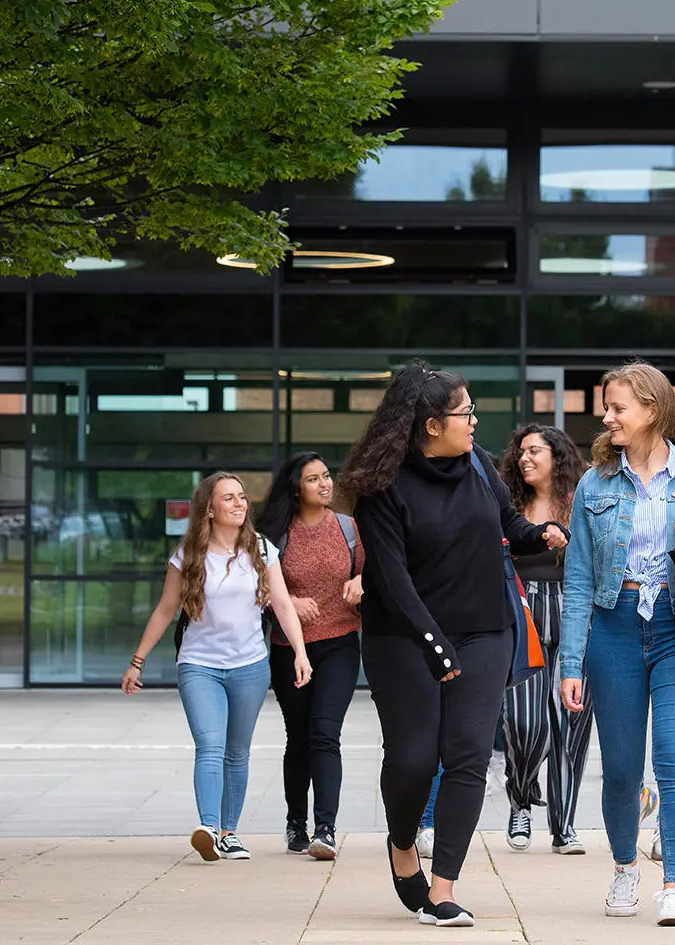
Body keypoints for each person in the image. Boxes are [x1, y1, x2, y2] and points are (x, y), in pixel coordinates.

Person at [345, 361, 568, 928]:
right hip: (405, 638)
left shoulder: (477, 465)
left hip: (485, 630)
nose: (474, 421)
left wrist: (539, 535)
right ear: (428, 425)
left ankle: (443, 887)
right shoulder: (382, 490)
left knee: (468, 757)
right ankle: (402, 844)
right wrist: (436, 649)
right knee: (415, 760)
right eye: (464, 412)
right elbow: (393, 583)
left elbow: (509, 527)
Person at [560, 361, 675, 928]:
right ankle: (623, 869)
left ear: (652, 410)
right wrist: (571, 661)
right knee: (619, 770)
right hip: (613, 630)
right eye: (607, 407)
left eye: (617, 407)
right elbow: (580, 580)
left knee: (674, 763)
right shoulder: (595, 483)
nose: (606, 417)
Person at [122, 472, 312, 863]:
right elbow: (164, 610)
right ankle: (208, 828)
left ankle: (229, 833)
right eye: (229, 498)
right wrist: (137, 662)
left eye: (242, 497)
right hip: (199, 666)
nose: (240, 504)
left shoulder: (261, 549)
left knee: (237, 753)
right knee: (210, 745)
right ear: (209, 508)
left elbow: (281, 604)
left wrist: (300, 651)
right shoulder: (189, 553)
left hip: (250, 667)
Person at [253, 452, 365, 861]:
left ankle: (326, 828)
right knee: (297, 737)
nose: (325, 484)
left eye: (326, 475)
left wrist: (359, 580)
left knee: (324, 732)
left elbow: (376, 570)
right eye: (313, 479)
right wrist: (288, 602)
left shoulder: (349, 529)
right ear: (295, 488)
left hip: (339, 643)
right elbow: (255, 588)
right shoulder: (274, 535)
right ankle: (295, 822)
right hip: (288, 648)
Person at [498, 423, 592, 855]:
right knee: (524, 724)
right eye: (521, 452)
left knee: (569, 727)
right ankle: (521, 797)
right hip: (524, 615)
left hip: (574, 615)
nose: (525, 458)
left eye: (535, 451)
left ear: (558, 457)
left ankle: (564, 825)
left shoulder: (582, 501)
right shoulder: (508, 503)